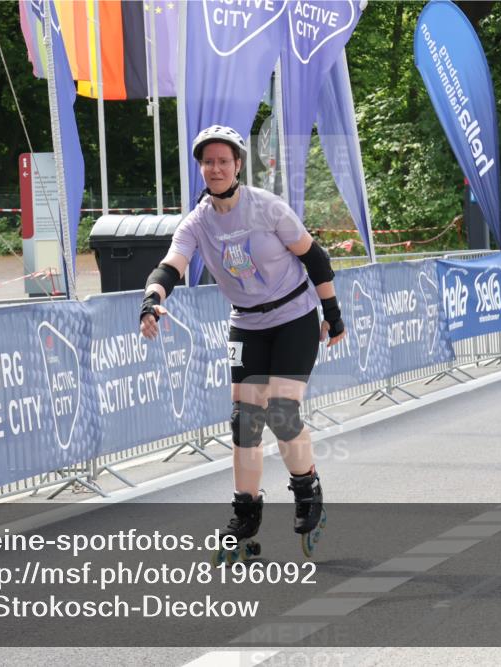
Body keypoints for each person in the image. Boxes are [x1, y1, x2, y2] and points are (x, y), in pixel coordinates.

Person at [138, 125, 346, 556]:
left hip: (294, 316)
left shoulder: (266, 208)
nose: (215, 168)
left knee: (284, 413)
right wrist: (151, 300)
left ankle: (307, 491)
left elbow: (315, 257)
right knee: (244, 420)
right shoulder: (198, 222)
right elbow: (171, 265)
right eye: (208, 162)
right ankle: (246, 511)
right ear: (201, 168)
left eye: (223, 161)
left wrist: (332, 313)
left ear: (237, 166)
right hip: (247, 323)